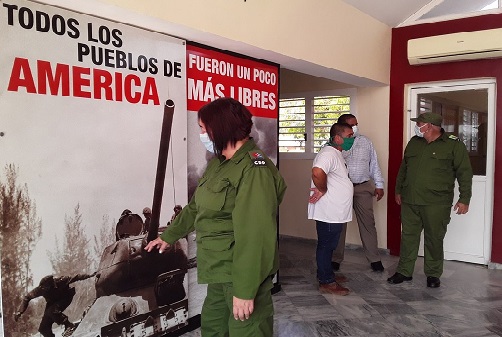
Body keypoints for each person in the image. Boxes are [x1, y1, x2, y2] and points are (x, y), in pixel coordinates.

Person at [145, 97, 286, 337]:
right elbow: (195, 207)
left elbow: (256, 236)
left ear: (219, 128)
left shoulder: (254, 170)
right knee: (213, 328)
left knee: (247, 331)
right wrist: (168, 237)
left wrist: (245, 290)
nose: (201, 134)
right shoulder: (219, 164)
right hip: (219, 271)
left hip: (241, 274)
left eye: (202, 129)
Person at [388, 112, 473, 288]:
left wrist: (464, 199)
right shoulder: (414, 142)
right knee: (408, 237)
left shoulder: (453, 145)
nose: (417, 127)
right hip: (410, 200)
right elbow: (404, 168)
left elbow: (464, 173)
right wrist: (398, 190)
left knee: (434, 238)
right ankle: (404, 271)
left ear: (430, 126)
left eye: (419, 123)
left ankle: (433, 274)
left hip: (436, 202)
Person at [331, 114, 385, 272]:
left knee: (368, 224)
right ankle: (336, 258)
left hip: (363, 187)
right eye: (352, 125)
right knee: (338, 225)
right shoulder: (333, 145)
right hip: (341, 189)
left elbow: (373, 163)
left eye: (356, 124)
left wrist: (379, 185)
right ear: (342, 127)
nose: (356, 127)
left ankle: (374, 259)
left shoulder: (365, 141)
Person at [308, 122, 354, 296]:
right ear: (337, 138)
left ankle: (327, 273)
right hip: (329, 210)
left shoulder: (336, 153)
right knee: (326, 245)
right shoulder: (328, 153)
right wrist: (322, 189)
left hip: (335, 210)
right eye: (349, 136)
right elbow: (318, 172)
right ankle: (326, 282)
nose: (352, 139)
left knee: (330, 244)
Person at [14, 272, 96, 337]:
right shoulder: (40, 289)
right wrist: (20, 311)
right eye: (44, 288)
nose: (45, 290)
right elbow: (27, 297)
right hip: (52, 302)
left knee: (52, 311)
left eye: (48, 288)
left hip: (65, 298)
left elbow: (76, 277)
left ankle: (69, 325)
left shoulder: (61, 281)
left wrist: (90, 275)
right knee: (43, 328)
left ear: (52, 284)